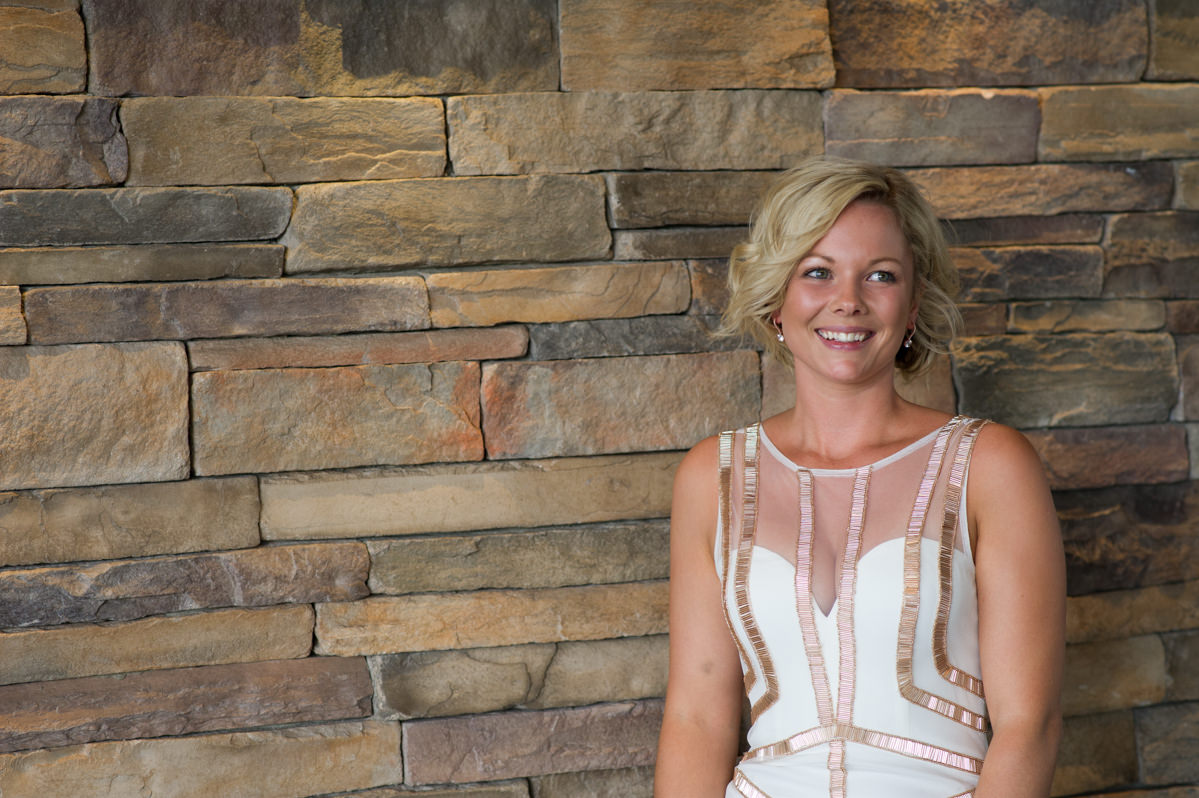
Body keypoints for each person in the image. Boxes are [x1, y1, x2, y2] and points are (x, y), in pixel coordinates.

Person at [654, 157, 1064, 797]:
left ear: (912, 303)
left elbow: (1029, 725)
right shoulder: (713, 476)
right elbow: (696, 717)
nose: (848, 300)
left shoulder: (988, 464)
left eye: (880, 275)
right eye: (817, 272)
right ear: (777, 301)